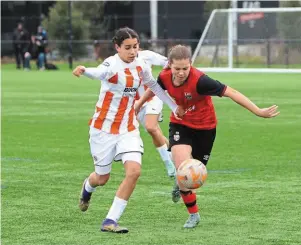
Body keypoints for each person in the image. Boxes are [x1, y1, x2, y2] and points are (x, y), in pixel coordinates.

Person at [135, 45, 280, 228]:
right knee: (184, 170)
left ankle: (180, 184)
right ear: (169, 65)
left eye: (185, 68)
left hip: (205, 128)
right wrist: (139, 103)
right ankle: (194, 215)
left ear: (191, 65)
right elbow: (155, 88)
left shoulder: (201, 81)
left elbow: (232, 92)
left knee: (193, 178)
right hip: (181, 125)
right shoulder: (164, 76)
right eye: (177, 68)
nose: (180, 73)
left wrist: (258, 111)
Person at [72, 27, 182, 233]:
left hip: (128, 128)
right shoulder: (111, 64)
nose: (133, 51)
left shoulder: (141, 65)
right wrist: (84, 70)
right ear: (117, 47)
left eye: (136, 47)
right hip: (103, 129)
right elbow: (99, 72)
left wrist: (174, 106)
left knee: (134, 171)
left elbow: (155, 87)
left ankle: (110, 220)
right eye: (128, 48)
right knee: (102, 178)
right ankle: (87, 188)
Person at [136, 50, 176, 178]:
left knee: (151, 127)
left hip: (153, 97)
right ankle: (179, 157)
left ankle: (168, 163)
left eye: (134, 46)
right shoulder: (117, 63)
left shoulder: (146, 55)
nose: (132, 50)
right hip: (136, 104)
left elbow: (167, 62)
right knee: (156, 132)